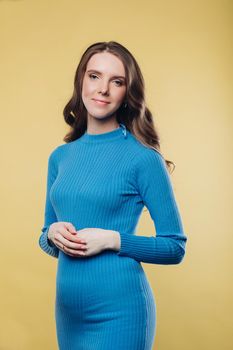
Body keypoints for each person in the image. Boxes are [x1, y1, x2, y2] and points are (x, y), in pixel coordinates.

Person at [39, 41, 187, 350]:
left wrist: (113, 239)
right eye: (94, 76)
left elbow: (175, 247)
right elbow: (47, 239)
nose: (102, 89)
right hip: (68, 313)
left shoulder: (143, 158)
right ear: (81, 80)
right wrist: (51, 233)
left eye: (116, 81)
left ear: (126, 93)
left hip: (121, 311)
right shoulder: (60, 157)